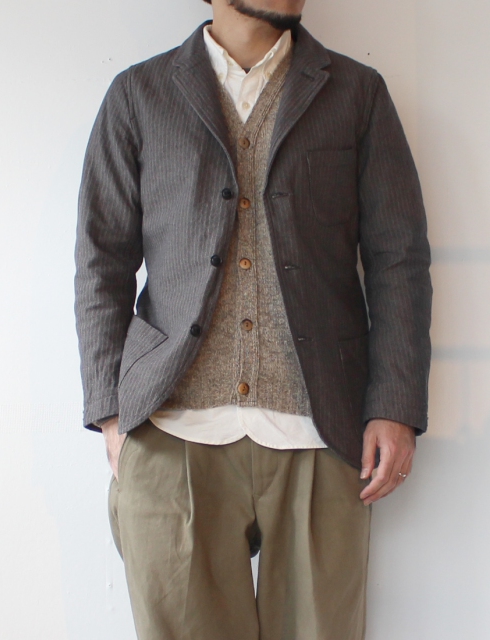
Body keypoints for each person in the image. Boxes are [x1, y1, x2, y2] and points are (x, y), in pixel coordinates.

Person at [74, 0, 432, 637]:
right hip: (170, 430)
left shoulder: (357, 94)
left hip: (323, 431)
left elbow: (397, 257)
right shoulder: (139, 94)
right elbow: (102, 260)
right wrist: (109, 409)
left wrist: (394, 405)